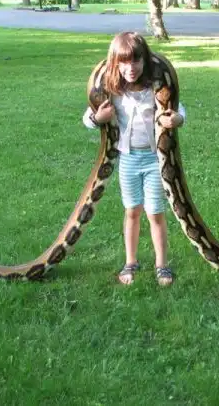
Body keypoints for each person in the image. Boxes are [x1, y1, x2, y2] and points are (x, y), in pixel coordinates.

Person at [82, 31, 186, 286]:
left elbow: (178, 109)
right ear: (115, 64)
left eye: (136, 61)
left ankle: (162, 265)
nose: (130, 68)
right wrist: (97, 119)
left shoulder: (155, 88)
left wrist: (177, 119)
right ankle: (131, 261)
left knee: (156, 213)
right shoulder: (112, 91)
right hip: (128, 159)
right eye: (124, 62)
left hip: (155, 160)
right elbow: (87, 117)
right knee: (132, 211)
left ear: (145, 61)